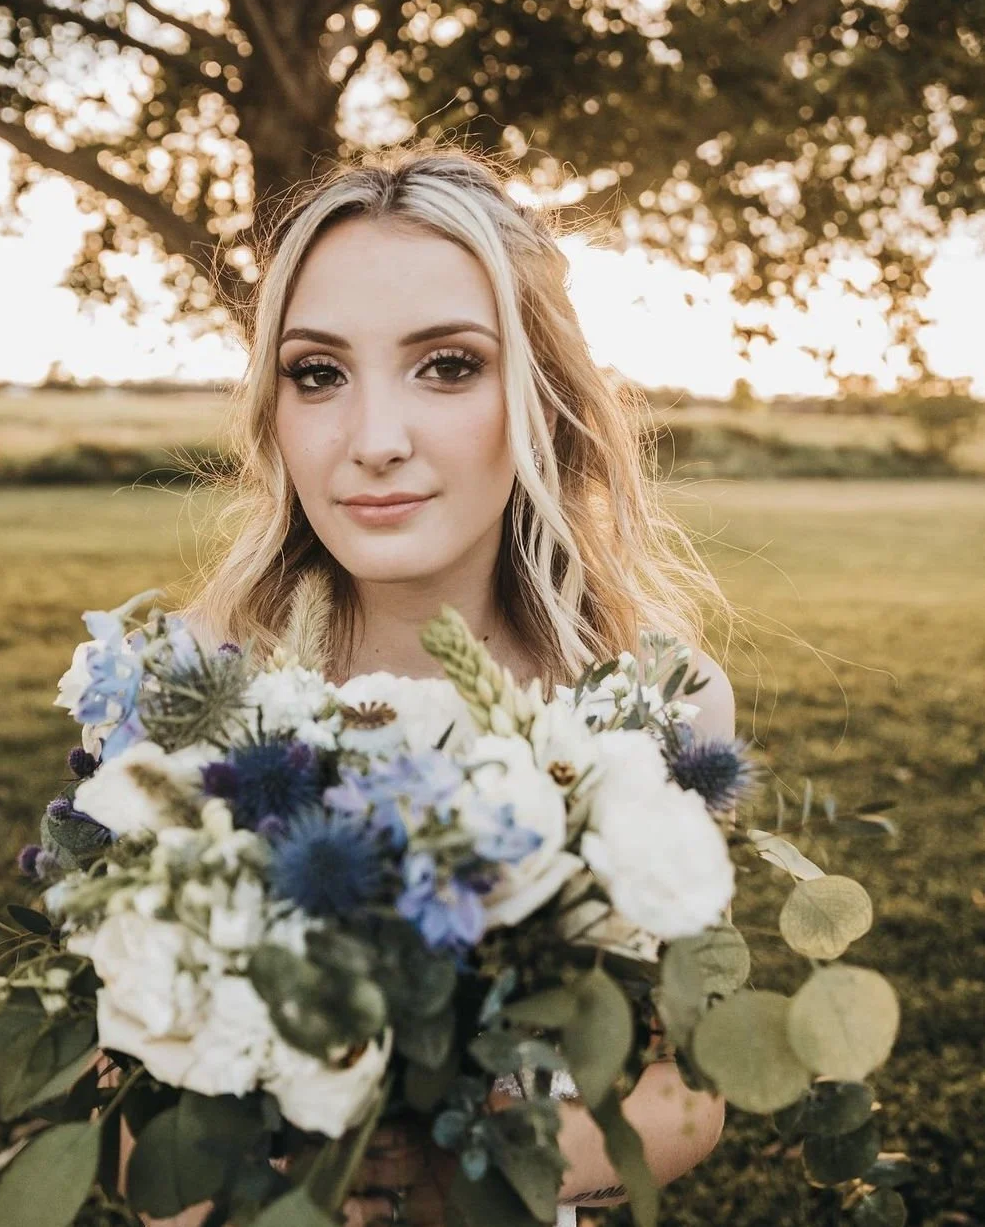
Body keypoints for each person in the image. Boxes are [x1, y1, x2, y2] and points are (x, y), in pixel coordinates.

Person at [123, 141, 736, 1225]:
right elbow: (137, 1142)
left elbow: (687, 1094)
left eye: (447, 365)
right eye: (319, 373)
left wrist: (464, 1173)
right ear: (276, 410)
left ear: (539, 393)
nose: (374, 441)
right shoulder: (191, 689)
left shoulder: (661, 701)